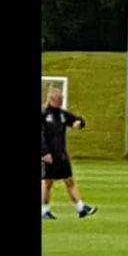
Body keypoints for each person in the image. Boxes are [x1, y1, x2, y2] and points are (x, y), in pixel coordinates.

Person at [41, 88, 97, 220]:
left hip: (61, 154)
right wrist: (44, 152)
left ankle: (81, 208)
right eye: (58, 101)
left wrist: (79, 123)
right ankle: (44, 210)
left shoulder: (62, 115)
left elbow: (76, 120)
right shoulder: (43, 114)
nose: (60, 103)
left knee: (69, 180)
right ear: (51, 100)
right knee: (47, 183)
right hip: (48, 155)